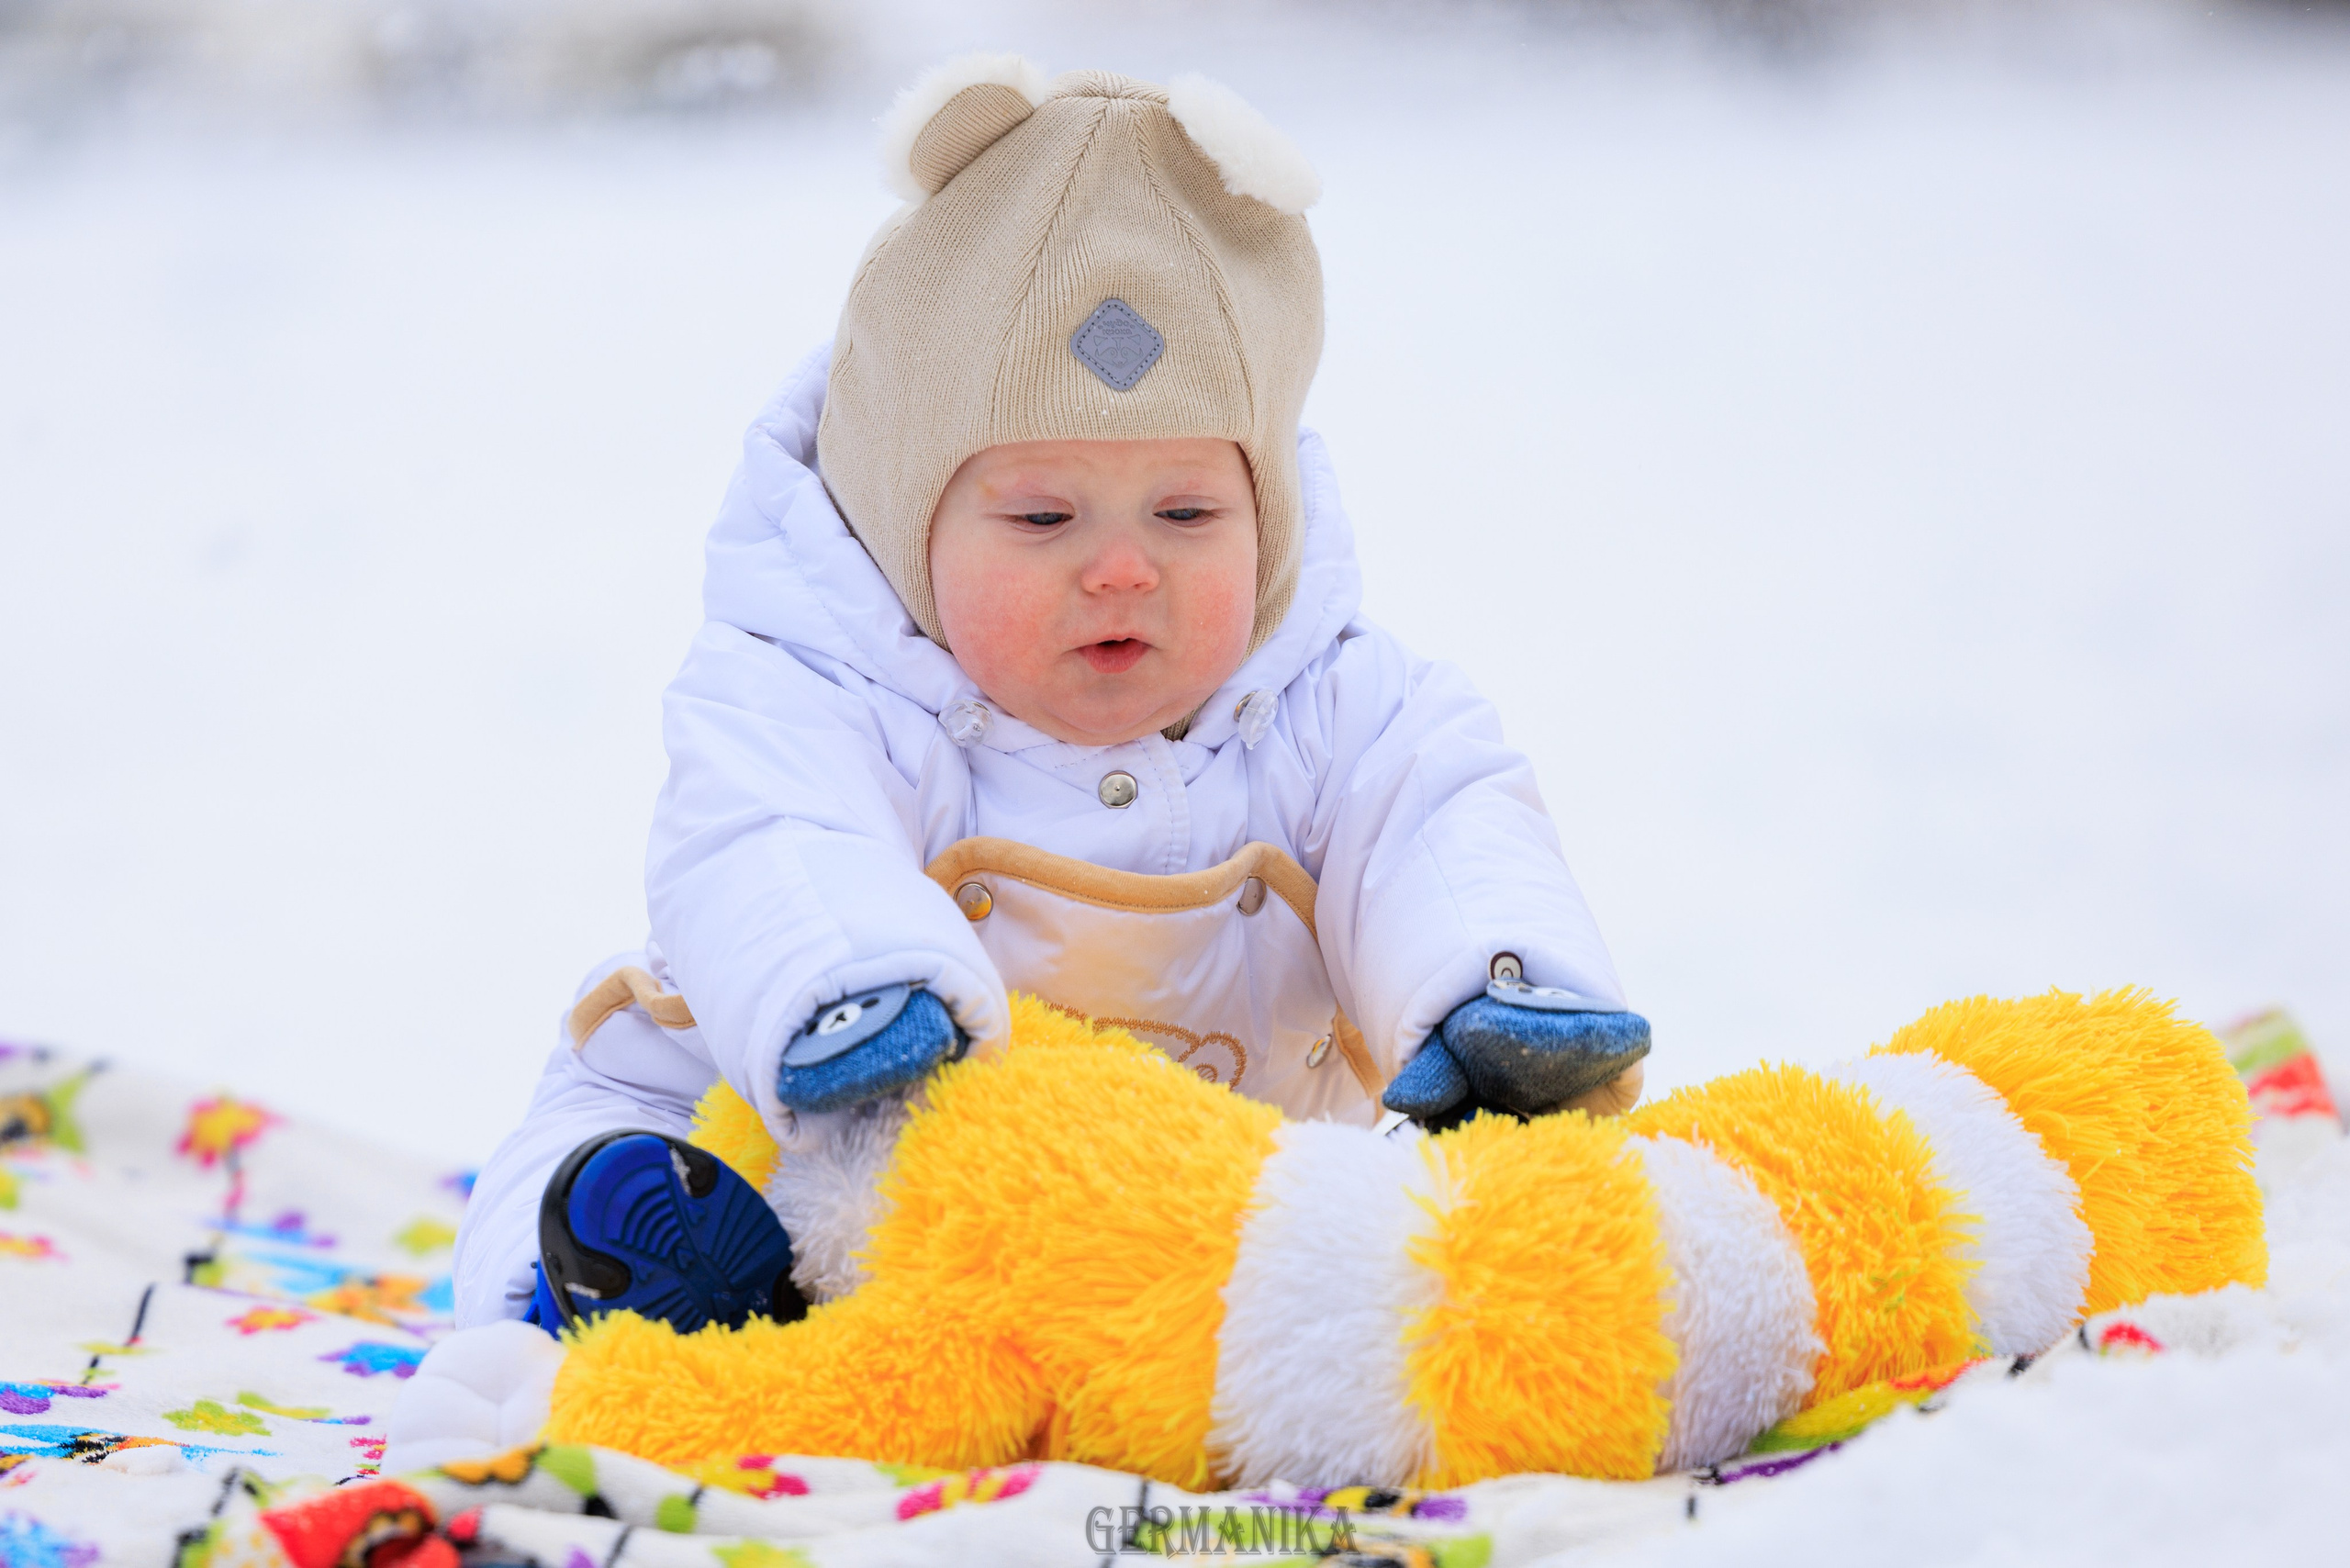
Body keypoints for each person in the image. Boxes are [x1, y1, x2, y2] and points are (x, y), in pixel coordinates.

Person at [452, 58, 1651, 1338]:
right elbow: (768, 837)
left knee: (1345, 1257)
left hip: (1183, 1215)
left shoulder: (1330, 708)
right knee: (609, 1138)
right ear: (905, 524)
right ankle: (605, 1281)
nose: (1124, 564)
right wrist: (853, 993)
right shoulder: (816, 692)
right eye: (1042, 514)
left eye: (1188, 512)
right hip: (796, 1135)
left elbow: (1441, 824)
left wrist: (1493, 991)